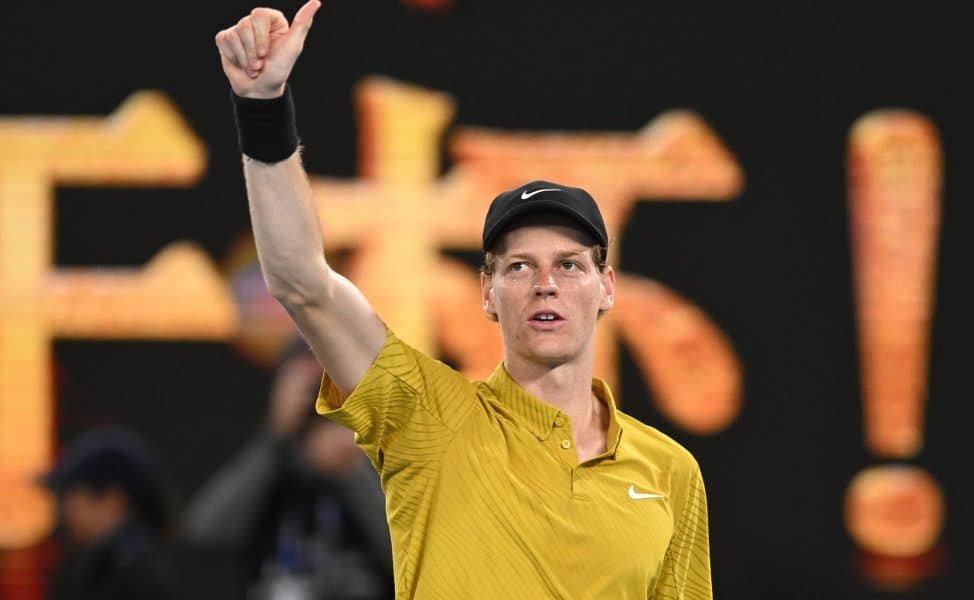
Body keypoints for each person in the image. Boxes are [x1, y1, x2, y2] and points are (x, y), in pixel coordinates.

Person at [215, 1, 712, 597]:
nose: (545, 284)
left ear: (607, 288)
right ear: (488, 292)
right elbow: (302, 281)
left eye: (570, 265)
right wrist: (263, 109)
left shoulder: (670, 471)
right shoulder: (429, 418)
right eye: (520, 266)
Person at [182, 338, 393, 599]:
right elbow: (203, 533)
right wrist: (274, 436)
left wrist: (352, 470)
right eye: (312, 387)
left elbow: (411, 556)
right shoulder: (268, 462)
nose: (321, 399)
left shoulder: (381, 456)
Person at [42, 427, 177, 600]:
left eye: (72, 496)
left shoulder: (134, 577)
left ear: (112, 500)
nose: (66, 510)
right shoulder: (108, 566)